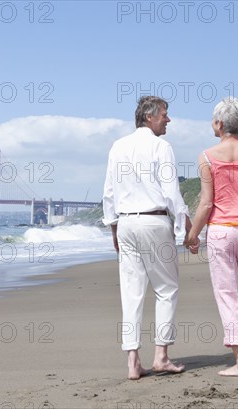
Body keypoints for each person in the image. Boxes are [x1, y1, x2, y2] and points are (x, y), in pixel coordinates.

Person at [102, 96, 191, 380]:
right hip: (154, 221)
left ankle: (133, 362)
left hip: (127, 223)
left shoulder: (118, 146)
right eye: (165, 114)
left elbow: (109, 192)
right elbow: (170, 190)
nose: (168, 119)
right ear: (149, 117)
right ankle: (161, 356)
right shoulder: (161, 146)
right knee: (166, 289)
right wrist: (183, 227)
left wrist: (114, 229)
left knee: (131, 292)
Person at [185, 97, 238, 377]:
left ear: (219, 124)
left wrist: (192, 235)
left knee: (227, 293)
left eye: (213, 120)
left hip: (221, 232)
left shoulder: (207, 157)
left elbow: (207, 204)